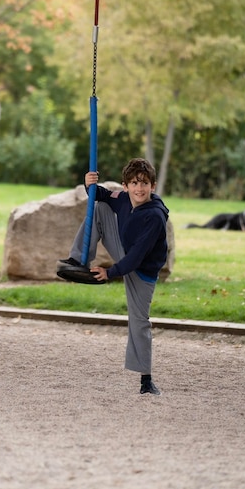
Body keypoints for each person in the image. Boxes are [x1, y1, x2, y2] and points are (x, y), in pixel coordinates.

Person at [58, 157, 169, 395]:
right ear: (125, 185)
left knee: (139, 321)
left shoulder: (155, 217)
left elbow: (137, 257)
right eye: (134, 183)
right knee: (99, 207)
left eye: (145, 183)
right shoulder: (123, 198)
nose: (139, 188)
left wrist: (110, 272)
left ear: (153, 186)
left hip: (142, 270)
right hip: (123, 250)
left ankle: (146, 380)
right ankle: (78, 260)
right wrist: (89, 186)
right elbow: (104, 196)